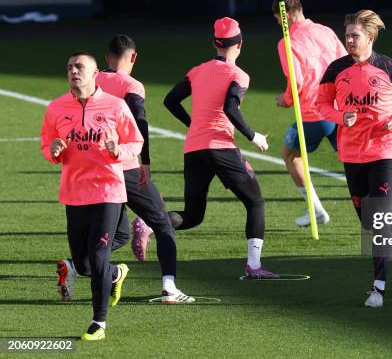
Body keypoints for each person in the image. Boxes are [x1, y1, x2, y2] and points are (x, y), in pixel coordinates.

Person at [56, 35, 194, 305]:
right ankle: (169, 287)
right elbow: (139, 120)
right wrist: (145, 161)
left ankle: (78, 266)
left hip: (96, 171)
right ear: (133, 58)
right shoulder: (132, 85)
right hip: (126, 167)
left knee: (119, 234)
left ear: (106, 59)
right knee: (163, 225)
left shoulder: (93, 81)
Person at [317, 10, 392, 307]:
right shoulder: (336, 70)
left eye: (355, 36)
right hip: (352, 153)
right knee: (367, 220)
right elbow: (321, 103)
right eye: (347, 35)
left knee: (378, 219)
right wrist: (339, 116)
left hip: (385, 150)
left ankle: (378, 288)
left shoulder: (389, 67)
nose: (349, 40)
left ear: (370, 37)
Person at [164, 17, 278, 279]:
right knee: (256, 202)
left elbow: (171, 100)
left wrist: (192, 124)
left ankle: (150, 225)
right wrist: (253, 136)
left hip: (194, 148)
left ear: (215, 43)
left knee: (192, 216)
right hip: (220, 147)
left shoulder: (197, 70)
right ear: (240, 44)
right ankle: (253, 266)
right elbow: (230, 107)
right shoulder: (238, 75)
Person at [41, 52, 144, 340]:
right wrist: (54, 152)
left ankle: (99, 322)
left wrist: (117, 151)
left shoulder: (116, 106)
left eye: (80, 67)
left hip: (108, 191)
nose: (74, 71)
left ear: (96, 73)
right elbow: (46, 144)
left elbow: (135, 142)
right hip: (74, 194)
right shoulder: (56, 108)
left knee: (98, 258)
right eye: (70, 67)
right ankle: (115, 274)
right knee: (84, 264)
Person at [271, 0, 347, 227]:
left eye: (277, 19)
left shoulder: (287, 42)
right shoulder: (325, 30)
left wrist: (285, 100)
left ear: (286, 16)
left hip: (315, 111)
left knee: (290, 154)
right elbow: (346, 63)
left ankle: (316, 210)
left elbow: (297, 83)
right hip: (340, 107)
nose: (276, 24)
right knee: (359, 161)